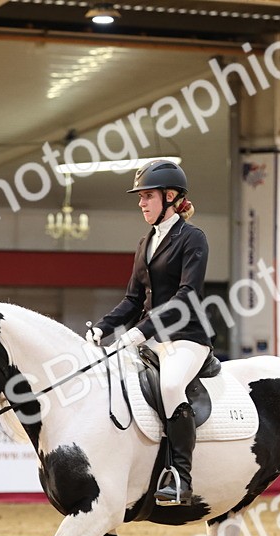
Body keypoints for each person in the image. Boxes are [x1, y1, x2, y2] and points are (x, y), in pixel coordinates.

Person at [88, 159, 211, 507]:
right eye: (140, 197)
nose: (141, 203)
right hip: (149, 339)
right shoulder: (145, 242)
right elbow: (132, 299)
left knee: (171, 386)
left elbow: (187, 296)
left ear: (170, 196)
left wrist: (141, 332)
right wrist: (103, 327)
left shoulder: (192, 238)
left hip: (186, 338)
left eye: (147, 196)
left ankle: (181, 479)